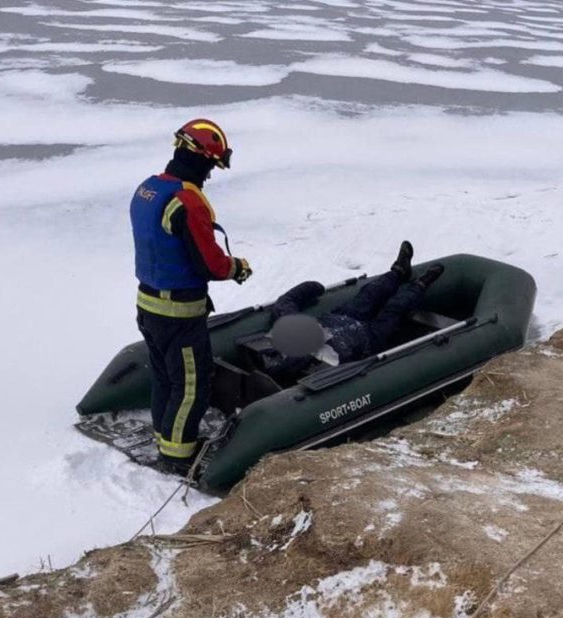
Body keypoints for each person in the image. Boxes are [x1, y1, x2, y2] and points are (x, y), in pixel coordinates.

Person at [131, 119, 253, 471]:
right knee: (191, 386)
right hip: (179, 314)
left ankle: (166, 438)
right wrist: (237, 267)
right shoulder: (187, 201)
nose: (210, 176)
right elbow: (210, 263)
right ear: (199, 157)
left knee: (165, 379)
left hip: (147, 303)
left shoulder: (147, 190)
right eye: (211, 166)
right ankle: (178, 457)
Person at [261, 242, 444, 379]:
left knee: (370, 293)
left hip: (341, 317)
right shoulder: (307, 361)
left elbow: (284, 304)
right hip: (367, 339)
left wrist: (311, 288)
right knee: (394, 309)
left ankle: (398, 271)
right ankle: (420, 284)